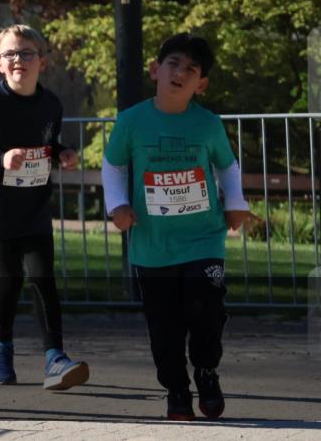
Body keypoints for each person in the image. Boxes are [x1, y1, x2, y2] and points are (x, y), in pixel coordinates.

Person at [102, 33, 253, 421]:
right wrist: (116, 205)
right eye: (173, 64)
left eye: (191, 69)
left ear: (200, 84)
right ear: (156, 70)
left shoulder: (208, 124)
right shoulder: (131, 121)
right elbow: (114, 165)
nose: (180, 73)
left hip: (203, 238)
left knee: (205, 309)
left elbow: (227, 166)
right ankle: (176, 389)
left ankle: (206, 370)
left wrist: (236, 205)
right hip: (153, 244)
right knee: (164, 325)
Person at [0, 24, 90, 390]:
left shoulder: (51, 104)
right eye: (10, 54)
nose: (19, 60)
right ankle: (2, 349)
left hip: (34, 207)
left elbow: (49, 141)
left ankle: (55, 358)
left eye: (27, 53)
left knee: (43, 279)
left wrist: (61, 152)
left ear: (41, 62)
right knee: (10, 280)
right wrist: (1, 159)